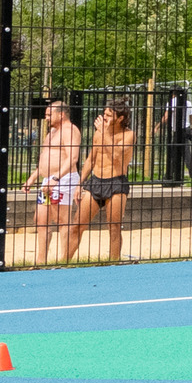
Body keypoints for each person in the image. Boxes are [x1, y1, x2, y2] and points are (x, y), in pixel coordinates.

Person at [68, 102, 134, 263]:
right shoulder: (99, 132)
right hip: (96, 181)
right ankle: (63, 262)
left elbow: (117, 156)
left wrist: (104, 134)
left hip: (116, 182)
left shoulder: (128, 135)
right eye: (104, 113)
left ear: (120, 118)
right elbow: (91, 159)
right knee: (77, 225)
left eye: (109, 115)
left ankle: (113, 263)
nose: (104, 117)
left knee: (114, 227)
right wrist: (79, 184)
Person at [27, 100, 84, 264]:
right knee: (41, 220)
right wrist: (33, 178)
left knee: (62, 220)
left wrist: (56, 178)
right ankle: (41, 261)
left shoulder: (70, 130)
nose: (46, 118)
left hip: (63, 179)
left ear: (61, 114)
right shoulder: (52, 132)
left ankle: (64, 261)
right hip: (48, 180)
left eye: (49, 115)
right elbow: (46, 157)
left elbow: (72, 158)